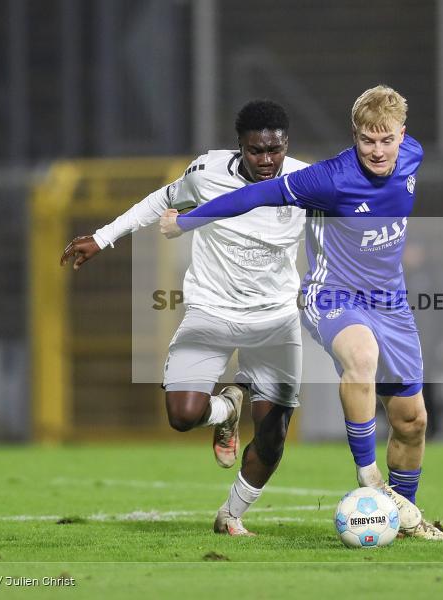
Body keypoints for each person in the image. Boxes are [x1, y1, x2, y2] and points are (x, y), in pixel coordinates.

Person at [160, 85, 443, 541]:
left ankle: (404, 516)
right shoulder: (329, 178)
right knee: (362, 356)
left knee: (412, 420)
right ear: (354, 135)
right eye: (366, 140)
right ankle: (368, 475)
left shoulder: (412, 155)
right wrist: (186, 220)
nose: (377, 151)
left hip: (391, 303)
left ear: (402, 135)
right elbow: (253, 197)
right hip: (333, 295)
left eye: (386, 140)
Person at [61, 100, 307, 536]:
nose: (267, 160)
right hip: (211, 310)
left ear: (286, 144)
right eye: (256, 151)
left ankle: (230, 515)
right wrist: (102, 238)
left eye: (275, 149)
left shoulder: (307, 181)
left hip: (274, 320)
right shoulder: (206, 173)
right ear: (240, 148)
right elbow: (161, 199)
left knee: (272, 436)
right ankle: (226, 408)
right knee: (182, 415)